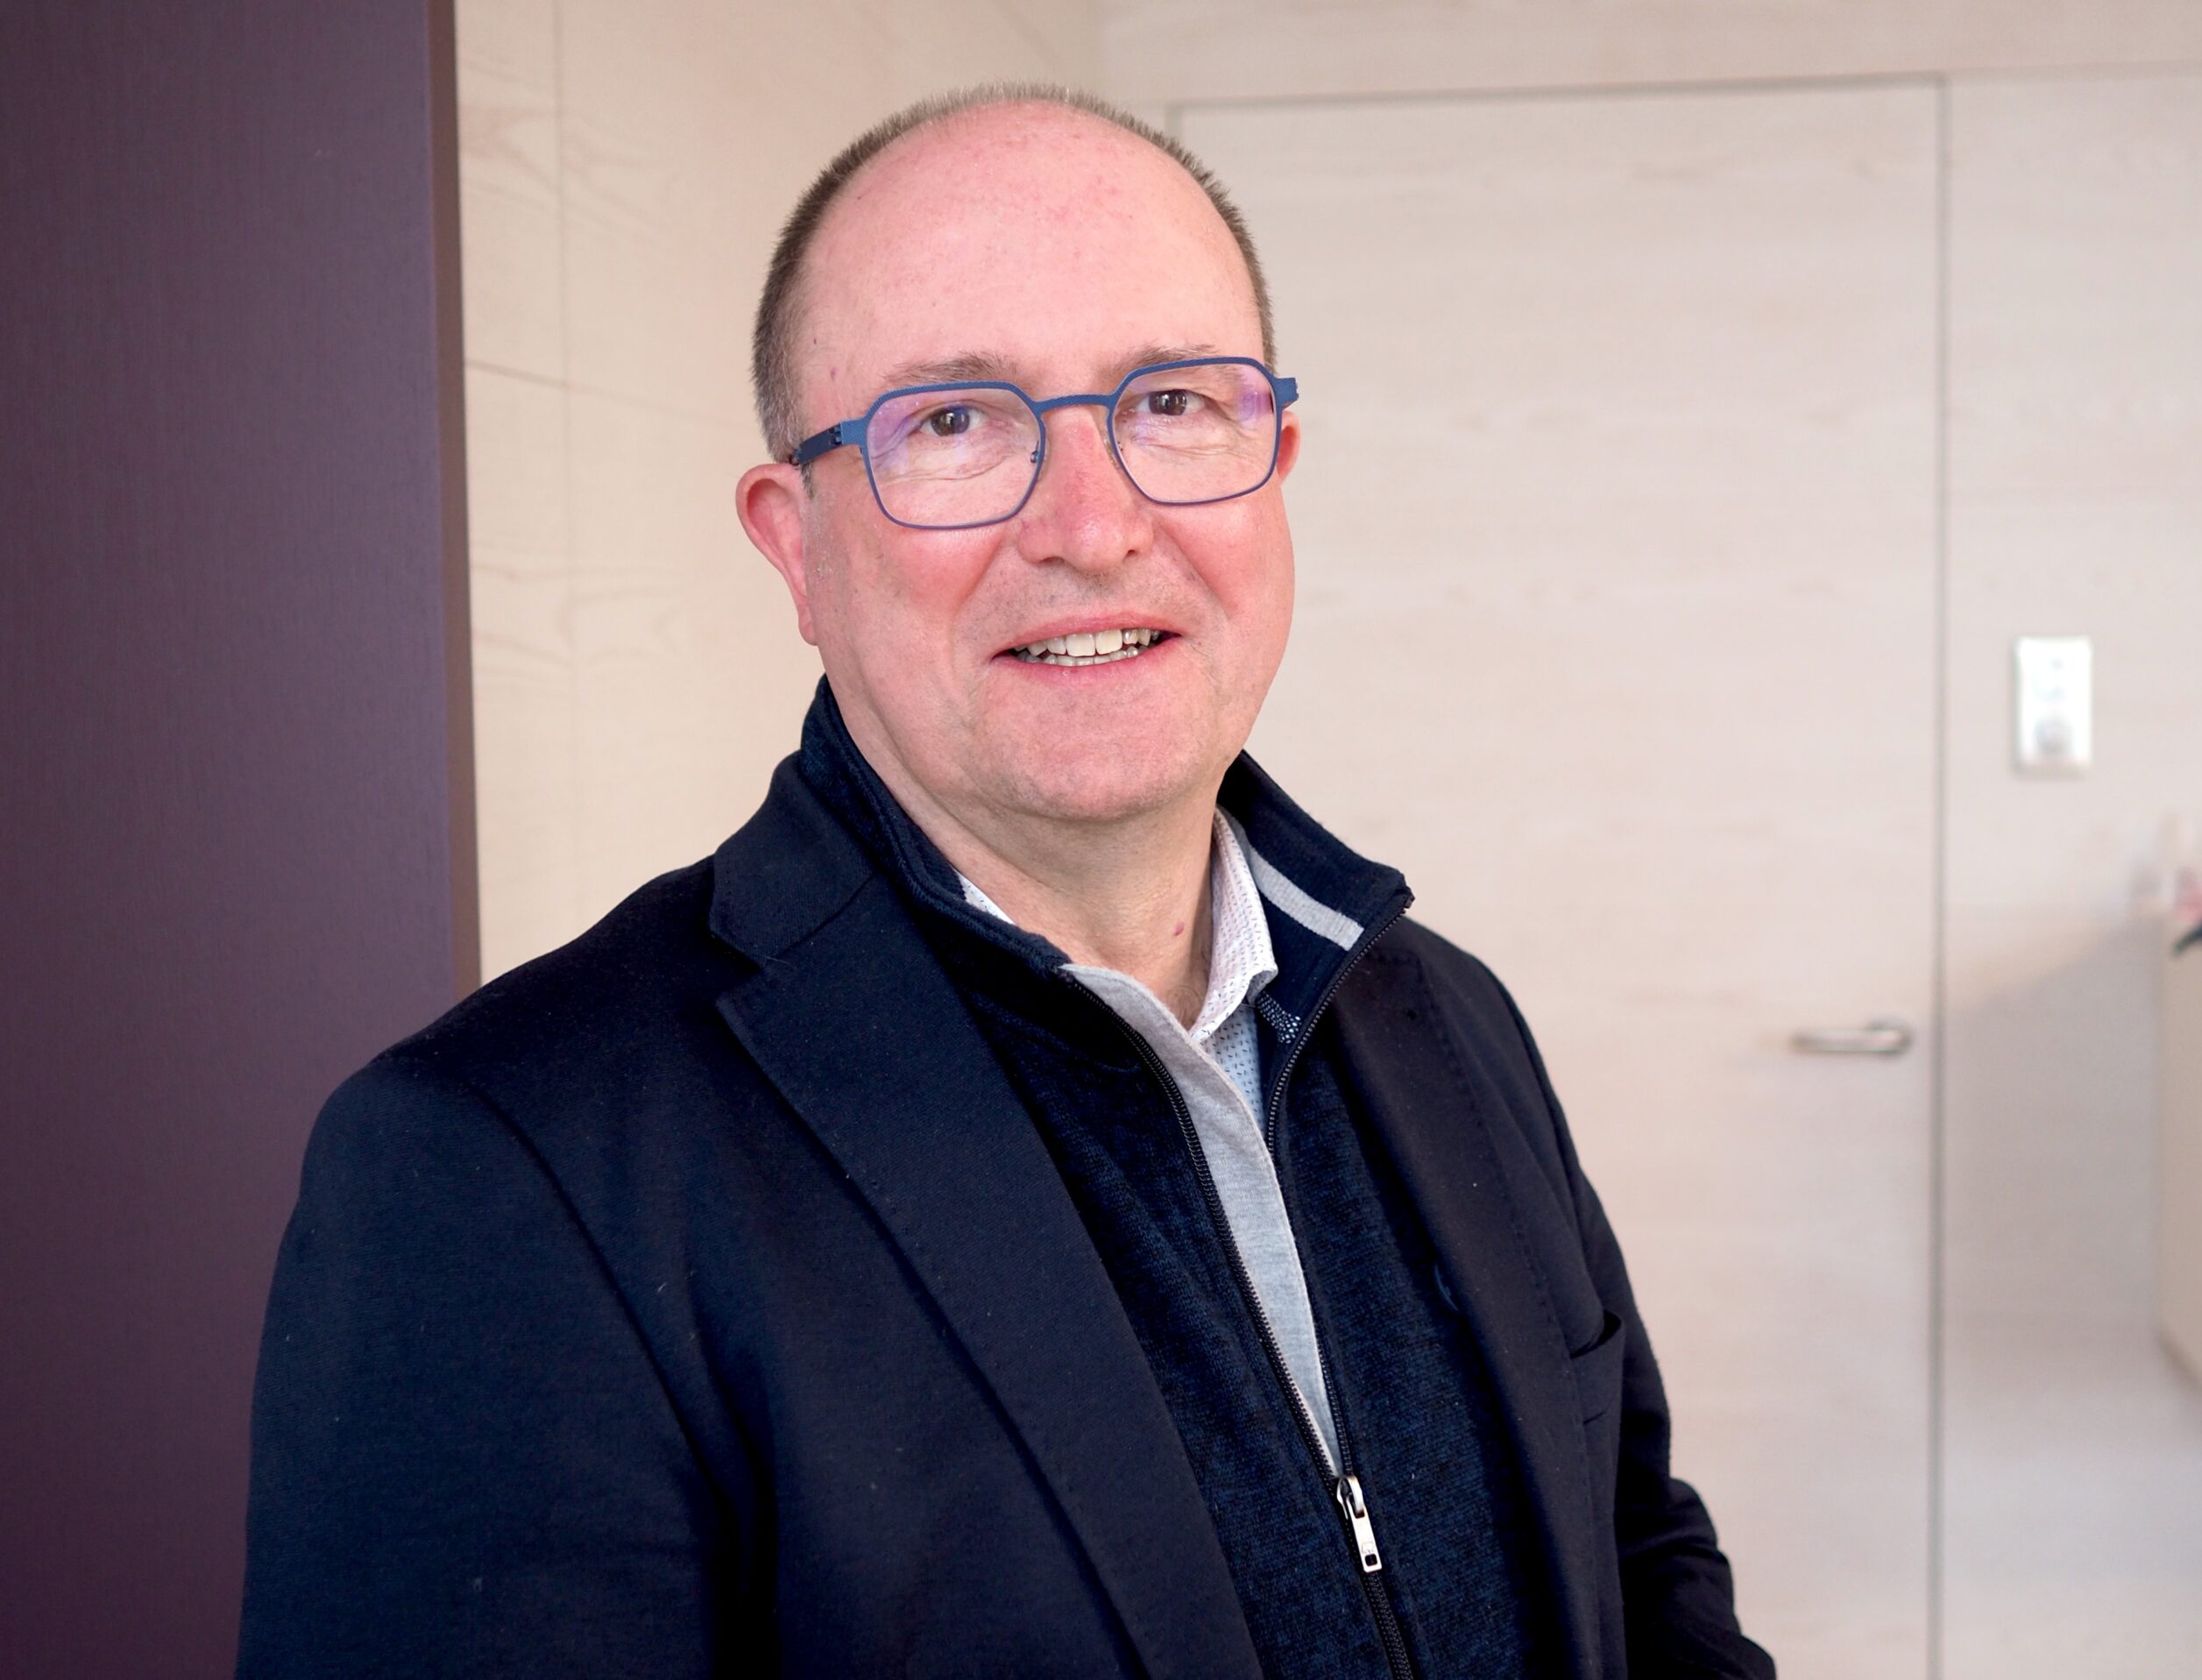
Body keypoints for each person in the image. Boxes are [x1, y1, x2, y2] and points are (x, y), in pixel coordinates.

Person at [237, 84, 1774, 1680]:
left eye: (1171, 402)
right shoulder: (508, 1172)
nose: (1095, 527)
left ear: (1275, 468)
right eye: (956, 423)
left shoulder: (1448, 1017)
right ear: (795, 544)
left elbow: (1635, 1557)